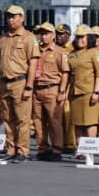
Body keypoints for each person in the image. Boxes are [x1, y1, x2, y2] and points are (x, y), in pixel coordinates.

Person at [0, 6, 39, 163]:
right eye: (8, 17)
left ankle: (22, 150)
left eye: (13, 16)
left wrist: (29, 86)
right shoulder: (3, 39)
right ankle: (11, 149)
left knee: (22, 119)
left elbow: (33, 63)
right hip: (5, 83)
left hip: (20, 82)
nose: (10, 19)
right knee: (7, 118)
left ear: (22, 18)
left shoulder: (28, 38)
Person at [31, 22, 70, 161]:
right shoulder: (36, 50)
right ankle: (43, 148)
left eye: (46, 33)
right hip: (37, 89)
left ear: (53, 35)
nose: (43, 36)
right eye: (41, 33)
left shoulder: (59, 52)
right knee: (38, 122)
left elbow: (65, 72)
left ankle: (57, 149)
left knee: (54, 121)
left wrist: (62, 91)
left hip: (52, 88)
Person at [67, 25, 99, 155]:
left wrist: (96, 92)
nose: (79, 40)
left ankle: (90, 149)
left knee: (90, 121)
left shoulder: (94, 53)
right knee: (77, 122)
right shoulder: (72, 55)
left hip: (89, 92)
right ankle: (80, 149)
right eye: (77, 37)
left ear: (89, 38)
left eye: (82, 37)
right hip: (75, 92)